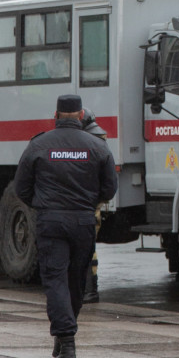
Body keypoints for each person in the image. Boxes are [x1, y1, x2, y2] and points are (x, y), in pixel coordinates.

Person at [13, 92, 117, 358]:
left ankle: (66, 339)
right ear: (82, 115)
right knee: (76, 281)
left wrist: (43, 205)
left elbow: (21, 187)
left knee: (56, 280)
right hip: (83, 222)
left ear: (56, 116)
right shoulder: (97, 146)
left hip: (51, 222)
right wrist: (88, 203)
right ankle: (65, 333)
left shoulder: (39, 145)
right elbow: (110, 188)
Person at [78, 108, 109, 304]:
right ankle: (90, 289)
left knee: (85, 247)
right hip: (94, 200)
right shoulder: (100, 140)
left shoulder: (84, 142)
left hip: (82, 200)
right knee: (90, 245)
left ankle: (89, 291)